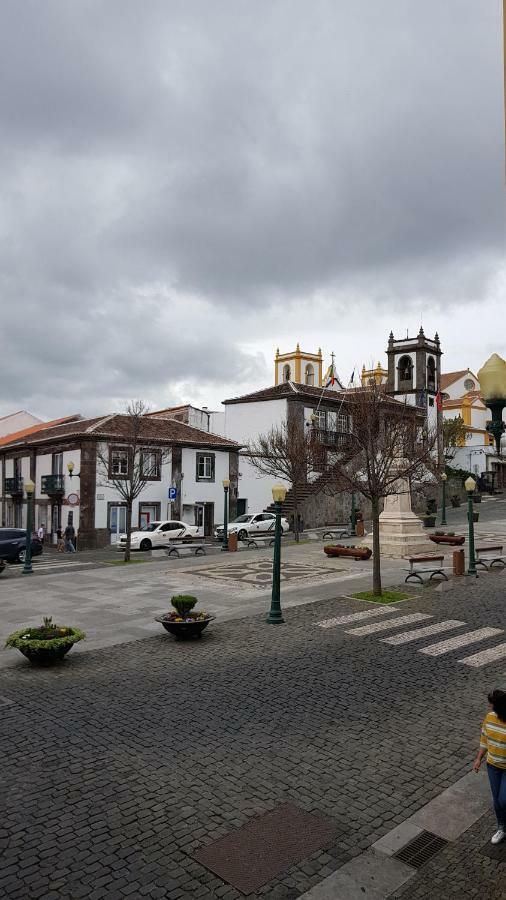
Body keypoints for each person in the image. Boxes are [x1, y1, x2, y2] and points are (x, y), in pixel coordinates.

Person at [473, 688, 506, 844]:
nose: (489, 708)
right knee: (496, 800)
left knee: (503, 800)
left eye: (491, 705)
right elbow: (484, 739)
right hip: (493, 765)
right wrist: (479, 758)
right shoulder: (489, 718)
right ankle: (502, 827)